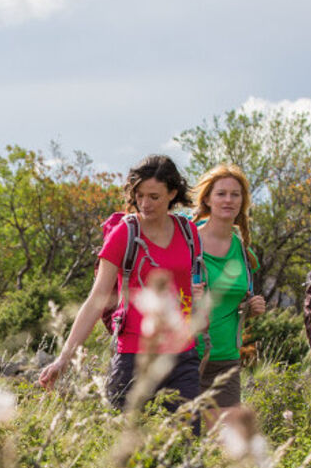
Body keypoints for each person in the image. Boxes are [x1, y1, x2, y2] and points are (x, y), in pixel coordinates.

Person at [38, 154, 203, 412]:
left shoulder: (188, 232)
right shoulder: (125, 233)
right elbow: (96, 299)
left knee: (187, 445)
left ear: (172, 193)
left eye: (154, 197)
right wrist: (64, 358)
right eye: (139, 196)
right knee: (125, 442)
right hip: (132, 357)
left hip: (182, 357)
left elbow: (189, 285)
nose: (144, 204)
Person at [191, 164, 266, 415]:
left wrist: (251, 308)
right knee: (185, 443)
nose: (228, 200)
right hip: (186, 358)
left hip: (227, 360)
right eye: (221, 193)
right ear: (208, 199)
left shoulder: (245, 253)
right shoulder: (189, 244)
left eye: (235, 194)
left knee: (226, 448)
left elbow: (235, 302)